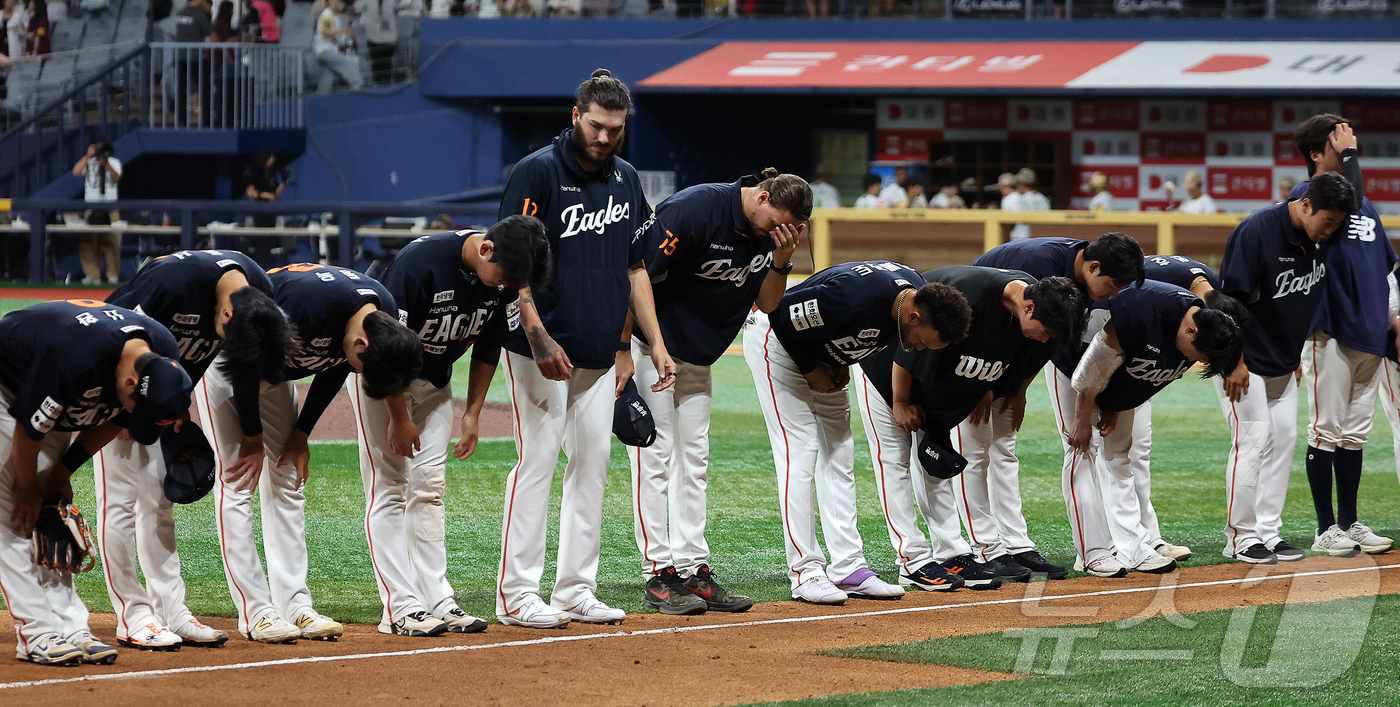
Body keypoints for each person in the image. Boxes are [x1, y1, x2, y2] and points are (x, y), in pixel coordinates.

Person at [494, 69, 675, 630]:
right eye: (596, 126)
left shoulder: (625, 178)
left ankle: (575, 589)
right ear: (576, 116)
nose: (603, 138)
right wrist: (535, 331)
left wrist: (654, 345)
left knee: (593, 464)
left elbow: (636, 266)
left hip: (598, 353)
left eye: (614, 130)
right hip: (541, 349)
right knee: (538, 463)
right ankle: (518, 594)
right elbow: (510, 257)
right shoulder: (539, 171)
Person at [194, 262, 423, 642]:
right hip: (233, 360)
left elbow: (336, 365)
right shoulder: (307, 309)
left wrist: (301, 433)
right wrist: (252, 439)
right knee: (238, 482)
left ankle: (295, 605)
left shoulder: (379, 313)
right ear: (362, 344)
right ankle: (257, 612)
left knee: (286, 480)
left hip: (274, 370)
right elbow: (246, 367)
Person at [628, 169, 810, 616]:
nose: (775, 232)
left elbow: (768, 304)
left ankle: (693, 568)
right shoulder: (696, 209)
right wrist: (649, 345)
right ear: (762, 196)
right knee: (656, 455)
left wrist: (782, 258)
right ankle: (659, 573)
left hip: (698, 355)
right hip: (655, 346)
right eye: (774, 223)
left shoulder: (774, 234)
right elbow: (637, 276)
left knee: (694, 460)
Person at [356, 217, 547, 637]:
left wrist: (473, 411)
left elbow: (488, 344)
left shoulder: (501, 278)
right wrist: (399, 417)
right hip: (385, 379)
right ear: (486, 251)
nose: (506, 286)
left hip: (436, 384)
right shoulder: (421, 263)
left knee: (429, 488)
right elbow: (385, 350)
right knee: (390, 488)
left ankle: (437, 598)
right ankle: (399, 608)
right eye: (506, 277)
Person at [97, 250, 295, 651]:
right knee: (120, 499)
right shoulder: (172, 282)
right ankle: (131, 615)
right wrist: (118, 411)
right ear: (224, 316)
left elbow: (228, 361)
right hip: (117, 388)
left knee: (158, 499)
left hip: (165, 395)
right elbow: (108, 332)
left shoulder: (260, 296)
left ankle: (171, 611)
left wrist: (179, 404)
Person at [744, 260, 970, 604]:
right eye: (922, 343)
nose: (919, 349)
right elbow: (780, 314)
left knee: (840, 454)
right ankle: (805, 572)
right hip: (776, 342)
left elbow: (857, 334)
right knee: (800, 452)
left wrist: (837, 362)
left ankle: (848, 567)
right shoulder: (855, 297)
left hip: (819, 352)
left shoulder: (912, 296)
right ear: (914, 318)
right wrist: (811, 371)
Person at [854, 266, 1082, 592]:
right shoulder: (971, 296)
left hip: (936, 380)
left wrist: (986, 389)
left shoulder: (1041, 309)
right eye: (1044, 332)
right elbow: (909, 346)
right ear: (1028, 308)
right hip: (889, 370)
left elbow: (1008, 356)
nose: (1044, 338)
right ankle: (912, 561)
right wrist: (901, 401)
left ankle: (951, 554)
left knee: (936, 464)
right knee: (894, 460)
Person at [0, 300, 192, 665]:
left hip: (51, 395)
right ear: (132, 383)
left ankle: (71, 628)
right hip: (8, 386)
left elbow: (118, 417)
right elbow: (28, 429)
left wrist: (63, 470)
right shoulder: (74, 357)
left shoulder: (163, 354)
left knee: (51, 516)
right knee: (12, 511)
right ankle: (36, 633)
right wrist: (26, 487)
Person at [962, 234, 1145, 576]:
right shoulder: (1038, 266)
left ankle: (1015, 546)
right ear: (1093, 266)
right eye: (1113, 284)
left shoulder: (1082, 282)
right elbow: (990, 324)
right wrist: (983, 382)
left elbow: (1047, 341)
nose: (1115, 294)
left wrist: (1019, 388)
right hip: (975, 348)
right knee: (976, 447)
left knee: (1004, 445)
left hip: (1014, 351)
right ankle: (984, 547)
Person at [1051, 280, 1244, 576]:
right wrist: (1080, 419)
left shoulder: (1202, 330)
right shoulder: (1142, 310)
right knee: (1081, 449)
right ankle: (1092, 553)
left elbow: (1148, 377)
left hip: (1116, 371)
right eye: (1196, 354)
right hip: (1074, 362)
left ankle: (1133, 548)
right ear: (1191, 330)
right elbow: (1092, 370)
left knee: (1119, 455)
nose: (1192, 359)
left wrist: (1116, 406)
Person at [1215, 172, 1355, 564]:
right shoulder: (1257, 231)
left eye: (1337, 224)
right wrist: (1234, 361)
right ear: (1306, 204)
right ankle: (1240, 537)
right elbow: (1228, 304)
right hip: (1246, 363)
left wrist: (1293, 356)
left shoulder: (1317, 239)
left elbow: (1300, 303)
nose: (1330, 230)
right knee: (1254, 443)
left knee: (1282, 444)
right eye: (1327, 221)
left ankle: (1267, 532)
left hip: (1283, 363)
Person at [1290, 115, 1395, 557]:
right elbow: (1345, 200)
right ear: (1317, 154)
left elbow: (1384, 266)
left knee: (1355, 435)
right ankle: (1325, 528)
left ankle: (1349, 522)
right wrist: (1350, 158)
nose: (1352, 143)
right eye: (1340, 140)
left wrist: (1389, 320)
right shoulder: (1308, 197)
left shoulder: (1366, 205)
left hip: (1369, 332)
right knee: (1325, 431)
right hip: (1330, 330)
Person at [1130, 254, 1246, 562]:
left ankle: (1148, 538)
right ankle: (1111, 541)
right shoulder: (1151, 279)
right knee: (1110, 452)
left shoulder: (1211, 289)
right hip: (1108, 350)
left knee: (1137, 450)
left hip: (1143, 362)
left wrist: (1237, 362)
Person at [70, 138, 123, 285]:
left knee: (111, 242)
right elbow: (76, 172)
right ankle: (93, 276)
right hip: (91, 208)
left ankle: (113, 276)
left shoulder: (114, 162)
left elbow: (117, 177)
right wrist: (88, 156)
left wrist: (106, 164)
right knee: (88, 242)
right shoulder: (89, 162)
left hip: (110, 208)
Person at [172, 0, 213, 127]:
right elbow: (211, 34)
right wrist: (208, 14)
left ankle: (181, 121)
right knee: (205, 89)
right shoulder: (198, 15)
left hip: (180, 57)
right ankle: (207, 121)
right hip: (195, 58)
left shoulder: (180, 13)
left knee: (181, 90)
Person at [314, 0, 363, 94]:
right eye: (335, 2)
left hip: (332, 49)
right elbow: (326, 33)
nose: (338, 4)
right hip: (325, 50)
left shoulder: (335, 16)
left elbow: (341, 36)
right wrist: (344, 30)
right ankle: (358, 86)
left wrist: (347, 30)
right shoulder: (327, 15)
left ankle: (320, 95)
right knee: (347, 62)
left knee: (330, 73)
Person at [1006, 168, 1049, 241]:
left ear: (1021, 184)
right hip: (1040, 237)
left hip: (1020, 235)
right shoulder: (1043, 198)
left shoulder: (1018, 198)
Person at [362, 0, 396, 85]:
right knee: (376, 63)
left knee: (386, 63)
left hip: (387, 37)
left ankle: (387, 83)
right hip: (373, 37)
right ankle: (377, 83)